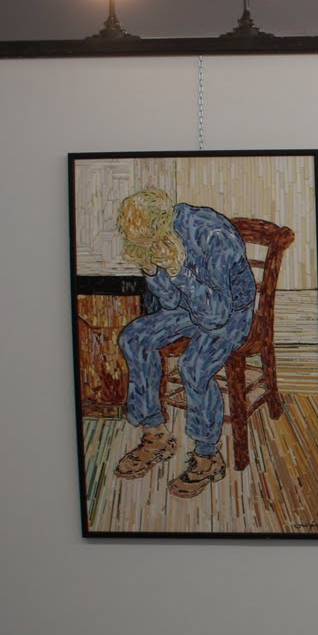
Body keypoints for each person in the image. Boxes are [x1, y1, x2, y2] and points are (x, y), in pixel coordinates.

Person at [110, 189, 257, 498]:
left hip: (230, 312)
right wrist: (153, 271)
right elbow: (169, 302)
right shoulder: (155, 238)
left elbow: (215, 315)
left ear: (163, 223)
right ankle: (155, 435)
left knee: (194, 366)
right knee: (133, 338)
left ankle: (208, 456)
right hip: (189, 306)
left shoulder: (213, 235)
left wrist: (179, 272)